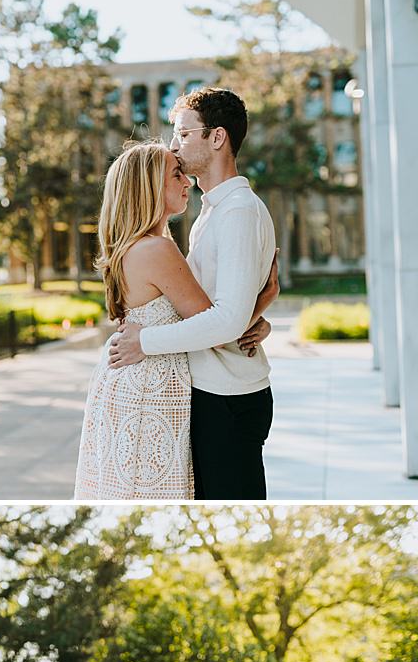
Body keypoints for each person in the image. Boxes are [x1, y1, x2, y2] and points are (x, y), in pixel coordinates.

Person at [74, 139, 276, 500]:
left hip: (127, 380)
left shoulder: (135, 245)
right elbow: (218, 327)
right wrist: (264, 300)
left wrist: (257, 318)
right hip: (146, 391)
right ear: (149, 186)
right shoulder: (158, 249)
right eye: (176, 174)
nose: (187, 182)